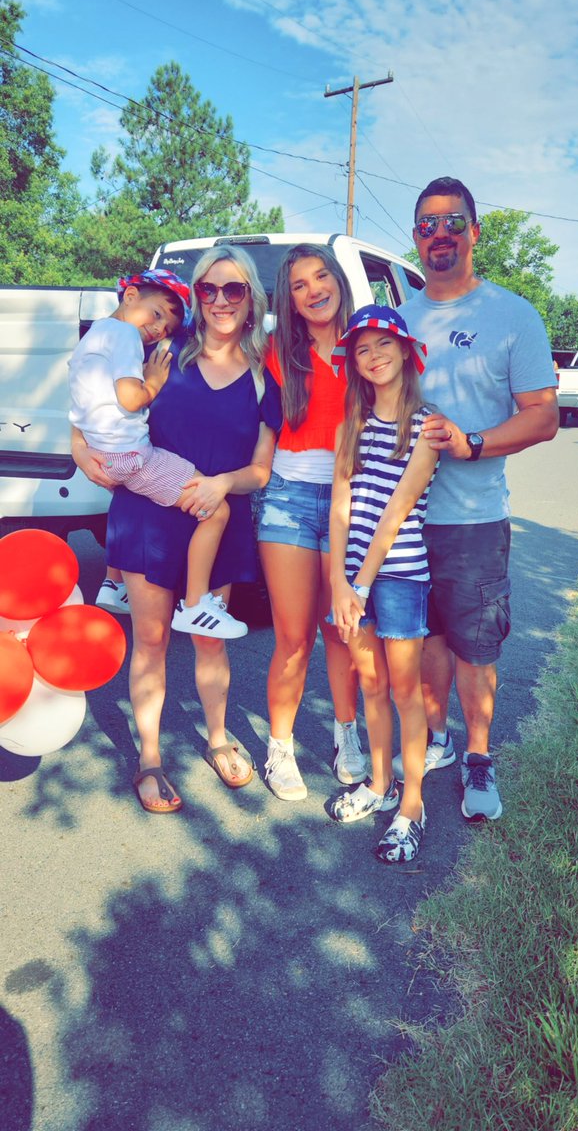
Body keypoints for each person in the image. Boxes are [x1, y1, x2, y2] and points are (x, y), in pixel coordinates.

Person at [71, 246, 282, 812]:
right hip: (148, 520)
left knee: (209, 639)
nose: (218, 300)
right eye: (207, 290)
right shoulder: (161, 351)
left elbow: (261, 470)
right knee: (154, 640)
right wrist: (77, 446)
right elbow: (95, 400)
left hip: (214, 517)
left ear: (251, 299)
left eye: (232, 289)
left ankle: (216, 738)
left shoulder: (264, 379)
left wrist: (222, 484)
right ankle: (150, 758)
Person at [398, 176, 559, 821]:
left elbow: (543, 416)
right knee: (429, 636)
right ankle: (436, 740)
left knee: (476, 644)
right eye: (427, 225)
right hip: (404, 516)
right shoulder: (400, 318)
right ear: (416, 238)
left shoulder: (512, 315)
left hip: (473, 517)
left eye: (452, 221)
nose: (440, 234)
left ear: (474, 231)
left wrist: (471, 441)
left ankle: (478, 759)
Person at [69, 268, 244, 639]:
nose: (159, 328)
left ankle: (112, 583)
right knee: (216, 507)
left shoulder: (92, 336)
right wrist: (154, 383)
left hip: (104, 455)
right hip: (133, 458)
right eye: (158, 313)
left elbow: (80, 397)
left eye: (167, 326)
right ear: (129, 295)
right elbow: (132, 400)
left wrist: (80, 445)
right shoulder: (125, 336)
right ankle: (196, 604)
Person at [328, 305, 439, 863]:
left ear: (405, 351)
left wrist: (362, 583)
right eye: (362, 350)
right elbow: (340, 505)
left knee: (403, 690)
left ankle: (412, 804)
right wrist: (337, 581)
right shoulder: (351, 421)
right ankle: (378, 783)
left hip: (396, 576)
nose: (373, 357)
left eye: (383, 345)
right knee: (369, 685)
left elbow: (399, 508)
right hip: (352, 577)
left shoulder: (428, 423)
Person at [258, 245, 362, 801]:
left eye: (321, 276)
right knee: (293, 638)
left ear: (339, 281)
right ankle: (280, 748)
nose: (314, 289)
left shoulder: (366, 344)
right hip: (289, 498)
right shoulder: (278, 352)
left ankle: (348, 737)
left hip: (353, 498)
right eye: (299, 284)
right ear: (289, 299)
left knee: (341, 630)